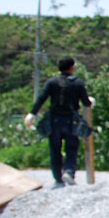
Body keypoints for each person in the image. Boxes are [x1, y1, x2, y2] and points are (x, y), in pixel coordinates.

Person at [24, 56, 93, 186]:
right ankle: (68, 171)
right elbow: (86, 103)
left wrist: (32, 113)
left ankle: (58, 178)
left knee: (55, 149)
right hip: (71, 122)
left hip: (54, 121)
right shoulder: (78, 83)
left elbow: (41, 98)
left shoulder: (52, 82)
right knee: (71, 148)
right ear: (72, 67)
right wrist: (90, 101)